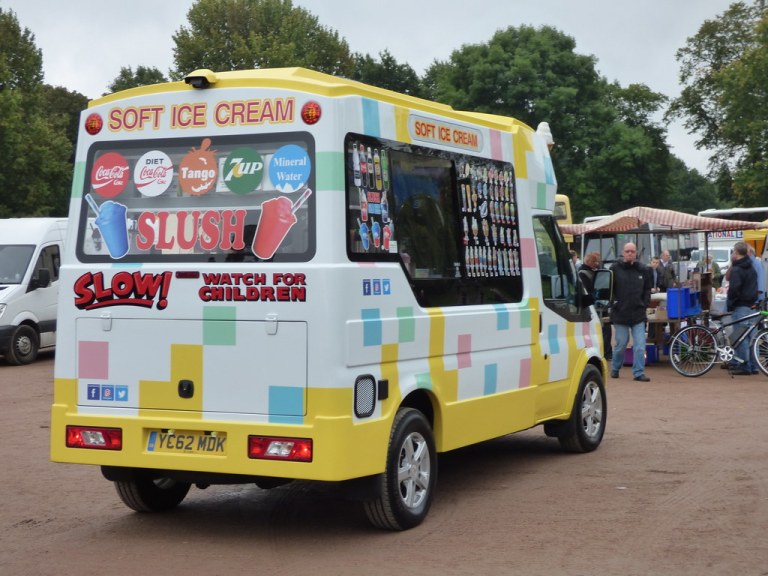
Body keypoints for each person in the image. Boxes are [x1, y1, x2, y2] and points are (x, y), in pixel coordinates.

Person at [609, 242, 652, 381]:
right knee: (621, 344)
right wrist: (613, 303)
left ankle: (638, 372)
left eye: (632, 251)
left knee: (640, 346)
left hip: (638, 314)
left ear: (636, 253)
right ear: (623, 252)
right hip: (620, 313)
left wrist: (644, 304)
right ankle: (615, 368)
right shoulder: (614, 268)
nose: (629, 253)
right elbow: (608, 289)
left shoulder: (643, 269)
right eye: (627, 251)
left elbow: (647, 289)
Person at [727, 241, 758, 375]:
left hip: (741, 305)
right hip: (752, 305)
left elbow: (734, 289)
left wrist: (731, 302)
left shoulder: (737, 269)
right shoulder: (751, 267)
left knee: (741, 337)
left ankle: (744, 365)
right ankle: (752, 365)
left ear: (736, 253)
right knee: (751, 337)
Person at [579, 251, 612, 359]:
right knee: (604, 330)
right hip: (593, 306)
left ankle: (605, 351)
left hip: (594, 305)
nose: (598, 264)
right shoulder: (584, 273)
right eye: (596, 261)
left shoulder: (583, 272)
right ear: (591, 262)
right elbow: (589, 291)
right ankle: (605, 352)